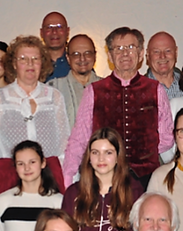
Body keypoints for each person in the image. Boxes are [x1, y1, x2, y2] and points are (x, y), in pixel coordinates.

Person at [63, 27, 174, 187]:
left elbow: (167, 138)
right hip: (105, 179)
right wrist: (68, 178)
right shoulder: (94, 91)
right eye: (118, 48)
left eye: (130, 47)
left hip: (147, 179)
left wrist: (145, 151)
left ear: (141, 53)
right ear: (110, 56)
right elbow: (80, 139)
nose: (125, 53)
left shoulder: (156, 89)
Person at [0, 35, 70, 192]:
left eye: (35, 59)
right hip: (10, 181)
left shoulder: (54, 97)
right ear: (14, 64)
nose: (30, 64)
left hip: (49, 179)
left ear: (42, 63)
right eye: (23, 59)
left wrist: (68, 184)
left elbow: (64, 145)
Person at [61, 128, 144, 231]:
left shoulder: (134, 192)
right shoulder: (73, 193)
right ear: (88, 156)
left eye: (108, 153)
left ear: (118, 156)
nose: (101, 159)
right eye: (95, 152)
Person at [47, 34, 101, 130]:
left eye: (87, 53)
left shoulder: (107, 87)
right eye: (76, 54)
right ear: (68, 58)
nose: (82, 59)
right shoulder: (53, 89)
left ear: (95, 56)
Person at [145, 32, 183, 100]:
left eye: (168, 51)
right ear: (148, 55)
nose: (162, 56)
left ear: (176, 52)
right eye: (156, 52)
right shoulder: (138, 90)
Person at [40, 11, 70, 81]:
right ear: (41, 33)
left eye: (59, 27)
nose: (54, 31)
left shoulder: (77, 63)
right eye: (49, 27)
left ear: (67, 31)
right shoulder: (33, 65)